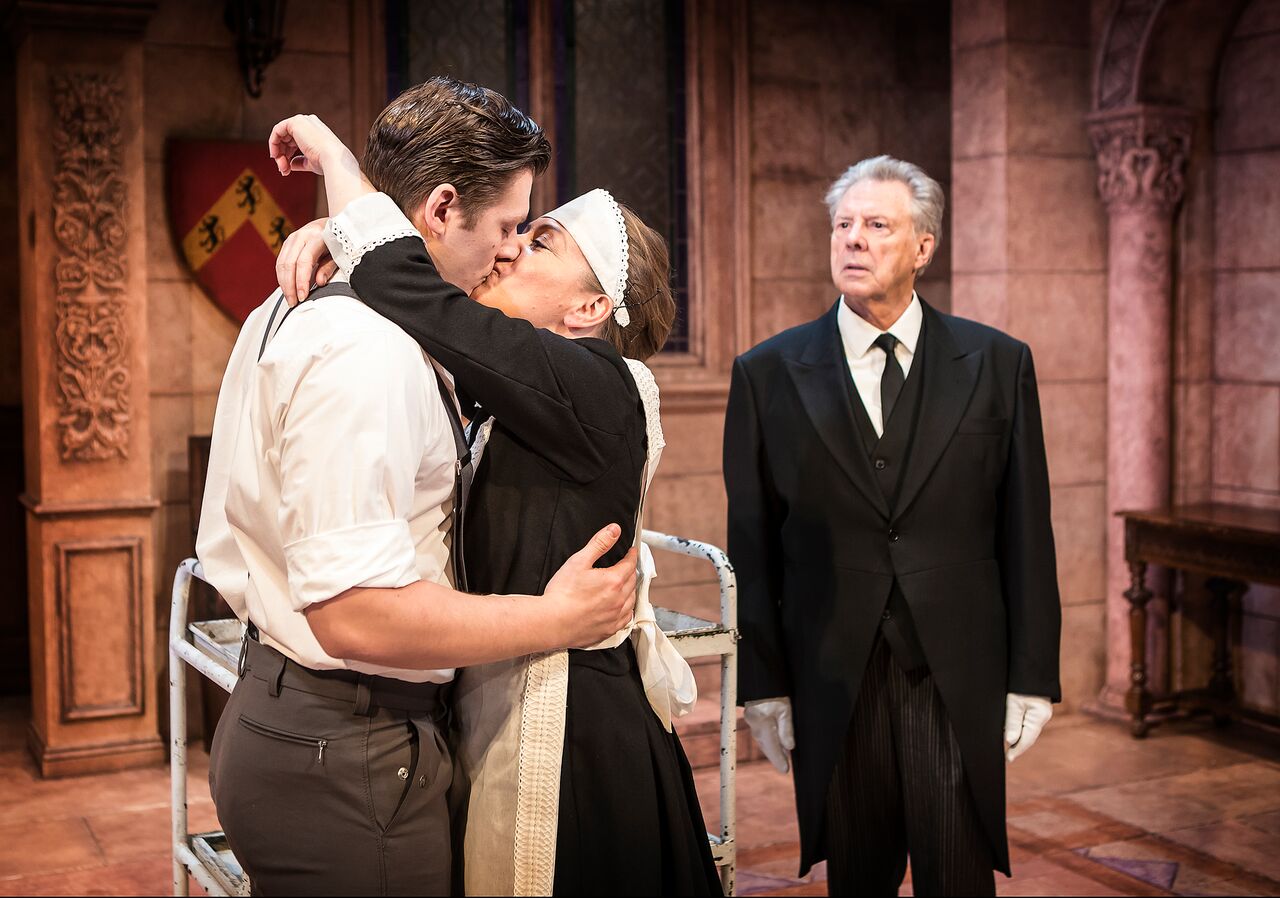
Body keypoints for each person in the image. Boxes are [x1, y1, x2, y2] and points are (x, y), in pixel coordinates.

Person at [196, 78, 639, 897]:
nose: (509, 250)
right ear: (439, 208)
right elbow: (355, 611)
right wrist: (555, 617)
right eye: (507, 227)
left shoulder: (298, 302)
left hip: (314, 716)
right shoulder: (369, 348)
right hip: (347, 744)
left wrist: (340, 217)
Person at [270, 113, 722, 897]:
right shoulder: (522, 393)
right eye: (512, 230)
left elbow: (413, 292)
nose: (508, 249)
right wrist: (337, 236)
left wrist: (339, 168)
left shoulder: (599, 385)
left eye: (538, 242)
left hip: (578, 735)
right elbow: (420, 297)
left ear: (588, 310)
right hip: (507, 698)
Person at [724, 155, 1060, 896]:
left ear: (923, 247)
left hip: (957, 671)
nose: (854, 239)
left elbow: (1027, 531)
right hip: (831, 671)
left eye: (878, 225)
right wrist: (762, 683)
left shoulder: (997, 363)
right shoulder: (768, 373)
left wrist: (1034, 675)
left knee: (959, 876)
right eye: (844, 225)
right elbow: (751, 542)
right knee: (858, 877)